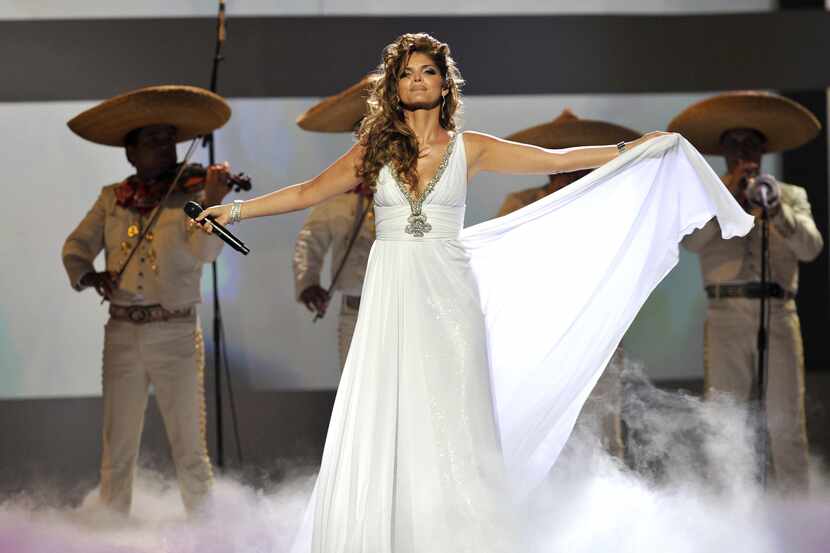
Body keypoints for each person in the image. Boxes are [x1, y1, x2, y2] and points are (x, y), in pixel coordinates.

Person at [196, 34, 750, 552]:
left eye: (428, 71)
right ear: (393, 86)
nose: (417, 81)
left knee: (451, 411)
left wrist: (633, 149)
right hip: (390, 293)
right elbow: (310, 190)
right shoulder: (374, 150)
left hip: (448, 292)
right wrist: (238, 209)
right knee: (385, 408)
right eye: (407, 73)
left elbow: (555, 162)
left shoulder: (473, 148)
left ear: (444, 84)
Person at [62, 85, 233, 515]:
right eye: (153, 141)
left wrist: (212, 200)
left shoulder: (192, 194)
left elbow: (208, 253)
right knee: (117, 441)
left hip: (175, 330)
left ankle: (208, 531)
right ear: (131, 154)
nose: (166, 149)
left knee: (189, 444)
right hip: (121, 330)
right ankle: (111, 527)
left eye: (169, 141)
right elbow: (76, 246)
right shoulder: (111, 198)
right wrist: (88, 275)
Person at [669, 91, 823, 492]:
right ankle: (729, 518)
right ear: (721, 152)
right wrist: (729, 198)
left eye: (750, 143)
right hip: (725, 316)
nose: (742, 151)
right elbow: (693, 243)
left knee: (787, 423)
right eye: (733, 144)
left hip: (779, 313)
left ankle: (796, 522)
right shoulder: (707, 193)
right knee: (726, 423)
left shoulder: (789, 194)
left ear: (764, 149)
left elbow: (811, 248)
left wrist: (778, 213)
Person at [497, 108, 641, 459]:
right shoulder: (522, 203)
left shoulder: (609, 201)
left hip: (598, 325)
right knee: (543, 429)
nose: (569, 164)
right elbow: (503, 257)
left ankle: (609, 506)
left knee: (606, 429)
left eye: (577, 155)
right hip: (540, 330)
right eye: (561, 155)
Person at [293, 76, 376, 367]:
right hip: (355, 313)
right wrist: (308, 281)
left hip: (409, 312)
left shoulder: (417, 183)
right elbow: (311, 237)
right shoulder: (340, 190)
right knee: (357, 406)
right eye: (363, 135)